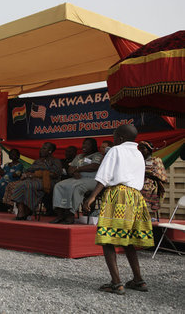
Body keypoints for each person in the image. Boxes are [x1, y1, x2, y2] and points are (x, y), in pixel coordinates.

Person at [83, 124, 154, 295]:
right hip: (135, 197)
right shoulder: (138, 153)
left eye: (114, 136)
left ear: (120, 137)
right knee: (128, 239)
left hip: (118, 195)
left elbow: (104, 175)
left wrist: (92, 196)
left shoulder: (115, 150)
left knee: (108, 240)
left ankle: (116, 283)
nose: (113, 139)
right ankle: (138, 280)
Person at [3, 142, 61, 220]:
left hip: (47, 181)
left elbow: (55, 174)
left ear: (50, 151)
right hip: (32, 180)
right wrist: (26, 174)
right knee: (19, 185)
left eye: (44, 148)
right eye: (42, 148)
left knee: (28, 185)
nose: (41, 150)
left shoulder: (55, 161)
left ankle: (28, 210)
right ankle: (21, 211)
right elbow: (28, 170)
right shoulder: (37, 161)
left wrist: (36, 174)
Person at [51, 138, 103, 224]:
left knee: (76, 187)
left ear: (93, 146)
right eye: (84, 144)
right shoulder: (79, 156)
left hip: (91, 180)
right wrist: (74, 172)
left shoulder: (97, 155)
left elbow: (94, 166)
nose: (84, 146)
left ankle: (70, 214)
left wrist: (78, 169)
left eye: (87, 144)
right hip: (76, 178)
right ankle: (60, 214)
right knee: (59, 185)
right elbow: (70, 168)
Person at [138, 141, 168, 215]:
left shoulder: (156, 160)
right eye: (140, 149)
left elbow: (162, 175)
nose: (141, 151)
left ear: (149, 150)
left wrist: (147, 172)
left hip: (150, 185)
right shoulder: (137, 160)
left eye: (143, 149)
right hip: (138, 183)